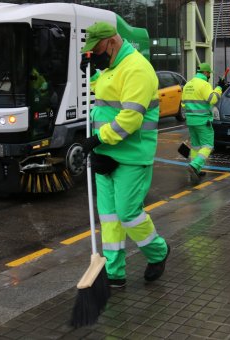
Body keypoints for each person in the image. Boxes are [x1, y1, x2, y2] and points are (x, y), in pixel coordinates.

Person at [79, 22, 169, 288]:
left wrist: (97, 139)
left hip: (131, 156)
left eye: (96, 51)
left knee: (128, 213)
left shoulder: (137, 69)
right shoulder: (111, 68)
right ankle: (114, 272)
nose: (95, 56)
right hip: (105, 153)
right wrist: (92, 75)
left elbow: (130, 119)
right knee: (109, 218)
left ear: (111, 42)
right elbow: (109, 93)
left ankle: (158, 252)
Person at [180, 63, 224, 183]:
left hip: (191, 120)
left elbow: (183, 103)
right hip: (203, 120)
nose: (209, 75)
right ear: (205, 72)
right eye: (209, 73)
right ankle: (195, 165)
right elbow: (213, 99)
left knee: (196, 146)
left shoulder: (188, 84)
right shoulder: (204, 84)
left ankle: (197, 169)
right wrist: (219, 88)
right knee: (207, 146)